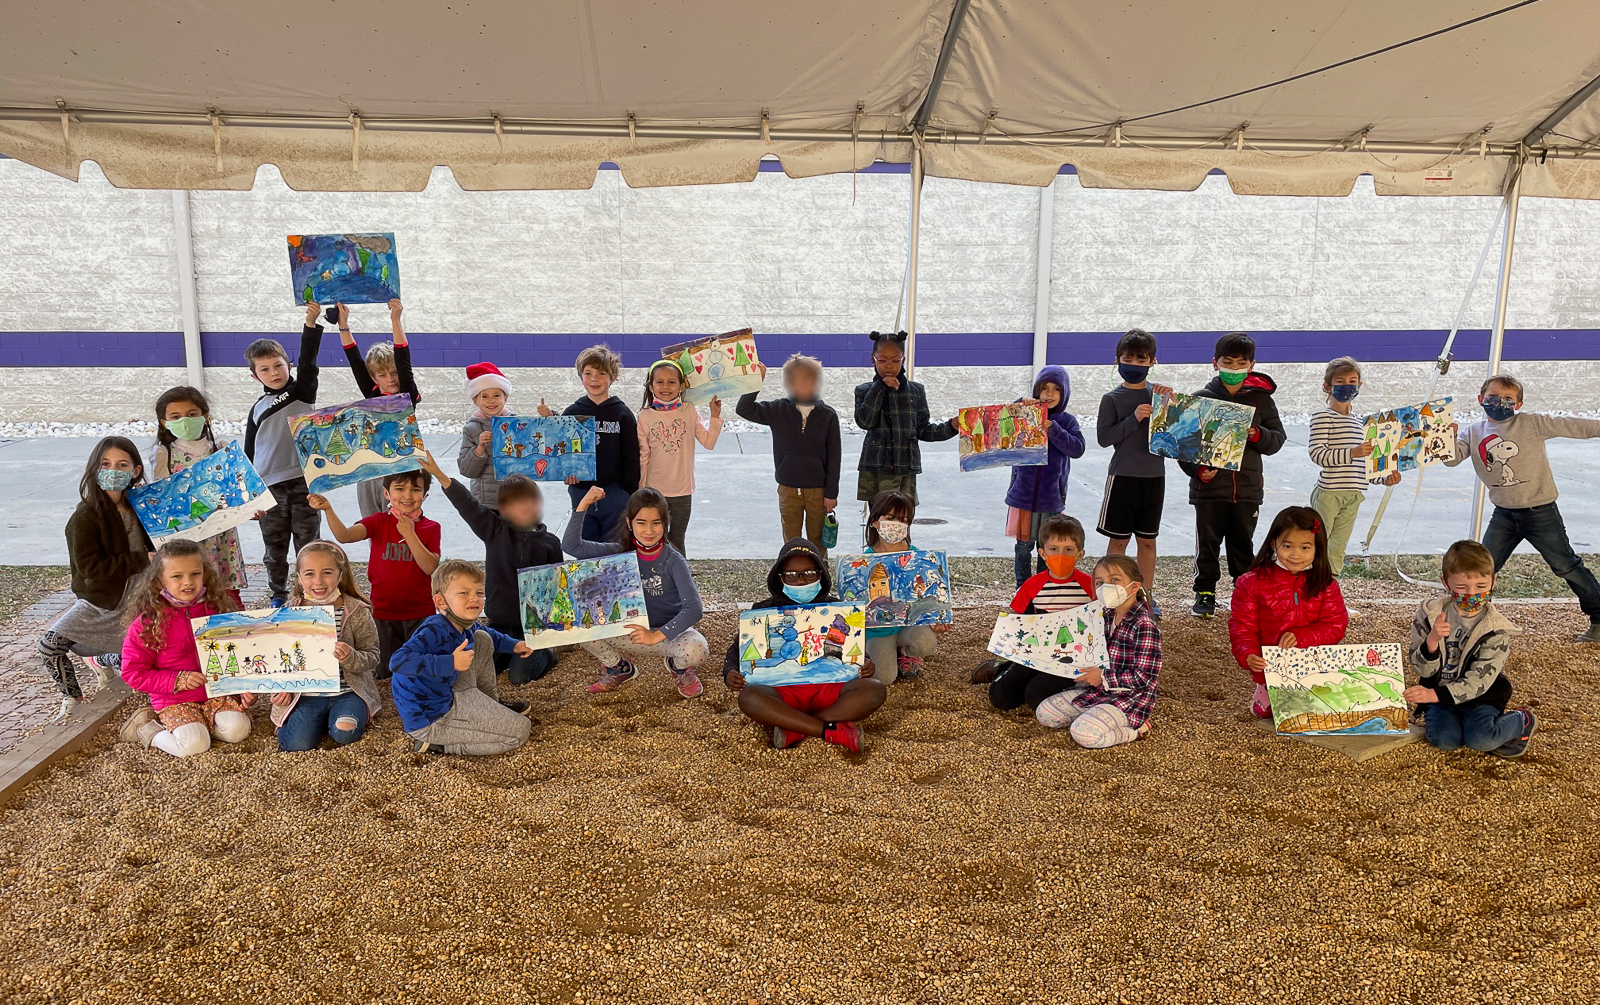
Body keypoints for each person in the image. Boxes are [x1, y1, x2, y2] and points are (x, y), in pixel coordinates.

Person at [1446, 373, 1600, 642]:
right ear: (1481, 399)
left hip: (1541, 513)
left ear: (1519, 404)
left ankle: (1599, 617)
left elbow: (1572, 426)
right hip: (1503, 515)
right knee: (1482, 569)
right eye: (1493, 397)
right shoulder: (1473, 432)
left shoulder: (1532, 423)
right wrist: (1445, 438)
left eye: (1508, 399)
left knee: (1567, 567)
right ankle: (1468, 622)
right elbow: (1451, 460)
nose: (1500, 402)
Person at [720, 538, 887, 753]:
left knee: (875, 689)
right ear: (780, 578)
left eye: (809, 573)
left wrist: (867, 663)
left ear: (821, 574)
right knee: (749, 697)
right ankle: (829, 729)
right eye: (791, 574)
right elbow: (738, 647)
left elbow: (854, 649)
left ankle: (796, 728)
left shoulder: (838, 608)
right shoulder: (762, 610)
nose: (801, 580)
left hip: (830, 689)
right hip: (782, 691)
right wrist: (730, 672)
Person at [421, 448, 562, 683]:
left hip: (533, 629)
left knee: (520, 677)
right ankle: (510, 654)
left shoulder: (550, 543)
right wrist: (438, 473)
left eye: (529, 499)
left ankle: (548, 654)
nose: (524, 506)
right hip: (497, 625)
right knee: (479, 671)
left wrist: (553, 631)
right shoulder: (494, 529)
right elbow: (467, 505)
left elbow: (557, 586)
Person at [38, 436, 153, 709]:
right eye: (106, 464)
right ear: (94, 468)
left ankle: (102, 660)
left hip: (140, 600)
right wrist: (141, 560)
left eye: (122, 464)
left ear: (135, 471)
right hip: (101, 601)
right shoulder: (85, 517)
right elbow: (91, 569)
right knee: (49, 646)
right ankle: (72, 699)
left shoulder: (144, 507)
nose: (113, 471)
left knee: (140, 665)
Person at [564, 486, 709, 698]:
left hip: (668, 635)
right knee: (577, 621)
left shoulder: (673, 560)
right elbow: (571, 546)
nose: (648, 531)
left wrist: (656, 635)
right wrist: (584, 504)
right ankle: (618, 667)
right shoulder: (618, 552)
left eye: (656, 523)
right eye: (641, 522)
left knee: (697, 649)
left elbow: (694, 609)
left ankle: (678, 668)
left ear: (666, 522)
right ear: (629, 523)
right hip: (629, 632)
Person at [1181, 332, 1285, 619]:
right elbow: (1184, 447)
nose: (1234, 368)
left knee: (1243, 544)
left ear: (1251, 365)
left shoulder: (1261, 401)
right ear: (1215, 363)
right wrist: (1199, 472)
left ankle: (1244, 593)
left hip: (1247, 490)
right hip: (1209, 491)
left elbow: (1277, 439)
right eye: (1228, 362)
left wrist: (1257, 434)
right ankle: (1205, 592)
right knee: (1208, 543)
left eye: (1241, 363)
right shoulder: (1200, 400)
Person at [116, 539, 253, 758]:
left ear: (205, 574)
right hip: (174, 699)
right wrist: (178, 680)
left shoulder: (218, 610)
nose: (188, 582)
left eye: (195, 574)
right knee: (194, 746)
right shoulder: (147, 623)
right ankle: (148, 729)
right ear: (160, 580)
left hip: (216, 694)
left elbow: (239, 653)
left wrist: (245, 687)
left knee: (238, 731)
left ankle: (201, 725)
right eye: (177, 576)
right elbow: (133, 673)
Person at [391, 559, 536, 756]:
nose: (474, 599)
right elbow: (397, 661)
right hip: (432, 717)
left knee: (482, 638)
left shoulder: (462, 623)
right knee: (520, 731)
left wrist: (515, 645)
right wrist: (450, 662)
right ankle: (439, 746)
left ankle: (490, 703)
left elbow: (491, 635)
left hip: (446, 690)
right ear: (441, 602)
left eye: (479, 593)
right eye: (464, 593)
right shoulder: (434, 630)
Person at [1405, 540, 1535, 757]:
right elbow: (1422, 670)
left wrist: (1432, 696)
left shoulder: (1496, 629)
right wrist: (1432, 641)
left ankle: (1522, 719)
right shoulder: (1429, 615)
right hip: (1439, 690)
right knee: (1445, 740)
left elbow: (1479, 681)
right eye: (1462, 588)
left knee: (1481, 740)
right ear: (1445, 583)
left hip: (1481, 696)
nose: (1472, 594)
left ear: (1493, 582)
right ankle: (1461, 720)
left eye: (1481, 587)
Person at [311, 465, 441, 678]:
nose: (407, 496)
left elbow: (430, 567)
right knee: (385, 672)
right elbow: (344, 536)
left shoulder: (431, 527)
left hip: (420, 612)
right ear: (386, 493)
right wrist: (328, 509)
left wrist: (410, 533)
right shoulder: (378, 522)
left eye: (416, 490)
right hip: (383, 612)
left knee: (419, 670)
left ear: (425, 495)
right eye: (399, 489)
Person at [1228, 506, 1350, 718]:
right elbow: (1242, 626)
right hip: (1270, 668)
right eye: (1287, 546)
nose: (1295, 555)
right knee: (1271, 714)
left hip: (1313, 664)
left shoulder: (1325, 584)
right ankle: (1264, 689)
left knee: (1316, 713)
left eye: (1305, 547)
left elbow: (1336, 626)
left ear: (1317, 548)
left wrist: (1302, 637)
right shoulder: (1250, 583)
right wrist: (1248, 654)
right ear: (1274, 543)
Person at [244, 302, 324, 607]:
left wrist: (311, 321)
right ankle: (277, 594)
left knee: (309, 545)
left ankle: (307, 593)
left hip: (304, 485)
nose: (273, 372)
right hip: (270, 490)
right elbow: (249, 454)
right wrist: (250, 498)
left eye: (278, 365)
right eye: (264, 369)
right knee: (274, 549)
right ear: (255, 376)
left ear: (288, 364)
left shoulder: (302, 390)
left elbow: (309, 360)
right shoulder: (257, 409)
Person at [1035, 555, 1161, 747]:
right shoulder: (1104, 614)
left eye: (1115, 580)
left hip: (1129, 699)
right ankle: (1096, 716)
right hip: (1097, 691)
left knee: (1084, 734)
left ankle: (1136, 730)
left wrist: (1104, 677)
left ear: (1135, 587)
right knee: (1044, 713)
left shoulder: (1144, 624)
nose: (1105, 587)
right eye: (1100, 582)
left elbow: (1145, 677)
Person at [269, 541, 382, 752]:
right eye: (310, 573)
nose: (318, 581)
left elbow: (373, 655)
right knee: (298, 745)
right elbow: (276, 658)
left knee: (344, 733)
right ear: (300, 577)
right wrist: (279, 689)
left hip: (347, 691)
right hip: (305, 694)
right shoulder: (288, 612)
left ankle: (334, 718)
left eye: (327, 572)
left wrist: (351, 657)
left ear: (341, 574)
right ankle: (311, 722)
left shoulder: (356, 611)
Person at [984, 514, 1096, 709]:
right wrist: (1003, 634)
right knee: (1000, 697)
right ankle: (1003, 667)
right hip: (1036, 653)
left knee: (1036, 697)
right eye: (1054, 550)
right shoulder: (1032, 585)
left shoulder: (1090, 586)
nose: (1061, 556)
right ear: (1043, 554)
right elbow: (1018, 620)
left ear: (1080, 554)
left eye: (1068, 550)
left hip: (1072, 659)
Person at [151, 385, 249, 607]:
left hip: (221, 535)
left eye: (192, 414)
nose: (184, 420)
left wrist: (250, 507)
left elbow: (240, 488)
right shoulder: (164, 454)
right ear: (164, 423)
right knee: (191, 586)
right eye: (175, 416)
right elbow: (162, 496)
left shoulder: (221, 448)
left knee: (227, 590)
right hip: (187, 537)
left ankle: (233, 628)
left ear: (205, 416)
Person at [736, 353, 841, 554]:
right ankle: (792, 574)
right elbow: (744, 409)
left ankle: (820, 576)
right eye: (799, 381)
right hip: (788, 489)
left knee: (818, 542)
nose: (805, 386)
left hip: (818, 492)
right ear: (789, 384)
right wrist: (756, 380)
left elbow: (835, 456)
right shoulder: (777, 410)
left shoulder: (828, 415)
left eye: (811, 381)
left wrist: (831, 493)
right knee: (791, 540)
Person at [1096, 329, 1169, 611]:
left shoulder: (1161, 397)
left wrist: (1170, 406)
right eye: (1129, 358)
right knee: (1118, 542)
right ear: (1117, 360)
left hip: (1154, 478)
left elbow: (1177, 438)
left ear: (1152, 362)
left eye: (1142, 359)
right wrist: (1134, 418)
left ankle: (1146, 595)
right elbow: (1104, 438)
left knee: (1148, 543)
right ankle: (1111, 594)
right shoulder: (1111, 399)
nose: (1135, 364)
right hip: (1122, 477)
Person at [1307, 357, 1398, 575]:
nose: (1347, 385)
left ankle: (1330, 591)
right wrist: (1351, 452)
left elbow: (1365, 465)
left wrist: (1384, 478)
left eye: (1352, 380)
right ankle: (1307, 589)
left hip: (1354, 494)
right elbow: (1317, 454)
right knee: (1316, 544)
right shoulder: (1322, 417)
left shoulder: (1362, 423)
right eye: (1340, 381)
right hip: (1329, 493)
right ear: (1327, 386)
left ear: (1360, 385)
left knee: (1338, 547)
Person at [542, 344, 639, 542]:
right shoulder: (572, 413)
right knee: (585, 546)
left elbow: (631, 456)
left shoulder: (622, 414)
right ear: (580, 376)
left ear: (612, 377)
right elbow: (562, 452)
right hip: (581, 492)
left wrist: (627, 491)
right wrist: (567, 474)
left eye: (601, 373)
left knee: (615, 548)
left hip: (614, 493)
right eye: (588, 373)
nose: (594, 379)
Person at [1002, 364, 1085, 587]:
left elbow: (1077, 449)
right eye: (1044, 388)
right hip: (1022, 496)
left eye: (1056, 389)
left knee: (1046, 546)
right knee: (1023, 546)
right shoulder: (1026, 414)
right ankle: (1022, 587)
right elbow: (1005, 421)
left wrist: (1054, 430)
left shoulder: (1067, 421)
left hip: (1051, 498)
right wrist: (1022, 404)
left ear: (1064, 393)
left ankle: (1042, 586)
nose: (1049, 394)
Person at [858, 490, 952, 683]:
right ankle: (888, 653)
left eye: (903, 520)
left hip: (908, 628)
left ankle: (906, 654)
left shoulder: (920, 559)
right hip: (877, 632)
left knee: (926, 644)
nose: (896, 525)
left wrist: (938, 617)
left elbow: (931, 596)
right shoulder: (862, 563)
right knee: (883, 678)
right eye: (890, 518)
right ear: (874, 521)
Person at [853, 331, 957, 505]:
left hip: (905, 470)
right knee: (880, 523)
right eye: (882, 360)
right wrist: (879, 388)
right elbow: (865, 421)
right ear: (873, 359)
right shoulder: (864, 390)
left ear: (903, 360)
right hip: (878, 469)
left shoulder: (916, 391)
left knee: (903, 521)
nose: (889, 366)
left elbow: (924, 430)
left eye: (895, 360)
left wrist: (951, 426)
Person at [339, 299, 420, 517]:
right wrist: (343, 325)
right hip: (372, 469)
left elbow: (403, 356)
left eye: (393, 373)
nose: (390, 379)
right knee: (372, 524)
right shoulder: (372, 393)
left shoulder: (407, 394)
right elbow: (353, 357)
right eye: (382, 375)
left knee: (401, 524)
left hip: (401, 470)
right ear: (374, 378)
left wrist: (395, 319)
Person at [637, 358, 722, 556]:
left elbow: (708, 443)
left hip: (682, 491)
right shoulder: (645, 416)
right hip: (654, 491)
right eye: (659, 382)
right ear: (651, 387)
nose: (665, 387)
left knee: (677, 540)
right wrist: (640, 489)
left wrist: (715, 416)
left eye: (672, 382)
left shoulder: (689, 411)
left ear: (682, 386)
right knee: (654, 539)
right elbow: (643, 455)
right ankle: (654, 577)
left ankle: (677, 581)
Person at [456, 361, 514, 508]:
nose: (491, 401)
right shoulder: (471, 429)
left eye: (496, 395)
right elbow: (466, 470)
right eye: (485, 396)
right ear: (475, 400)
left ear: (505, 398)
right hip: (486, 501)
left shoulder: (517, 425)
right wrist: (480, 448)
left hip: (515, 497)